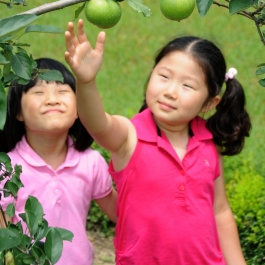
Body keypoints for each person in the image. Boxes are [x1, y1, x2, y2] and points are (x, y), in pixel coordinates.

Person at [65, 19, 251, 265]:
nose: (170, 91)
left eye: (187, 85)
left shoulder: (208, 143)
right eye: (164, 76)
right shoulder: (130, 136)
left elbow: (220, 211)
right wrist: (86, 82)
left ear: (209, 103)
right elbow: (97, 123)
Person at [0, 57, 117, 265]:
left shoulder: (91, 162)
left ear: (79, 109)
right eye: (39, 93)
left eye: (62, 92)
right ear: (18, 112)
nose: (52, 100)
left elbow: (122, 215)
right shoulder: (6, 168)